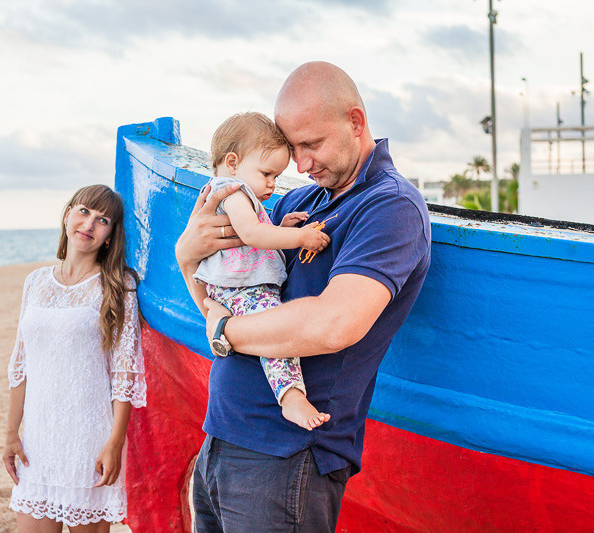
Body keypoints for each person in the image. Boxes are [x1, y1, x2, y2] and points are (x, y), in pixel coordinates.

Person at [175, 61, 431, 532]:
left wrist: (224, 334)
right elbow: (227, 292)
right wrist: (185, 257)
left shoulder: (390, 206)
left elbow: (333, 325)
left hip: (287, 456)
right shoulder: (298, 204)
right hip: (219, 440)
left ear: (355, 123)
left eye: (311, 144)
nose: (301, 165)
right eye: (292, 149)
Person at [2, 185, 146, 533]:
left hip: (89, 440)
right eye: (83, 211)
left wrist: (114, 442)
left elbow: (125, 374)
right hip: (37, 441)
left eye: (103, 220)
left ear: (110, 235)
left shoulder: (118, 285)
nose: (89, 224)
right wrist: (11, 433)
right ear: (67, 215)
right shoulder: (35, 282)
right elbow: (21, 366)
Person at [193, 111, 332, 430]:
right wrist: (299, 237)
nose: (272, 184)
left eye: (277, 177)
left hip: (238, 287)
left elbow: (253, 240)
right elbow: (252, 234)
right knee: (276, 330)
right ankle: (291, 396)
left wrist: (279, 227)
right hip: (243, 290)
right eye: (267, 173)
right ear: (232, 163)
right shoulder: (231, 191)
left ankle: (223, 331)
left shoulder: (237, 194)